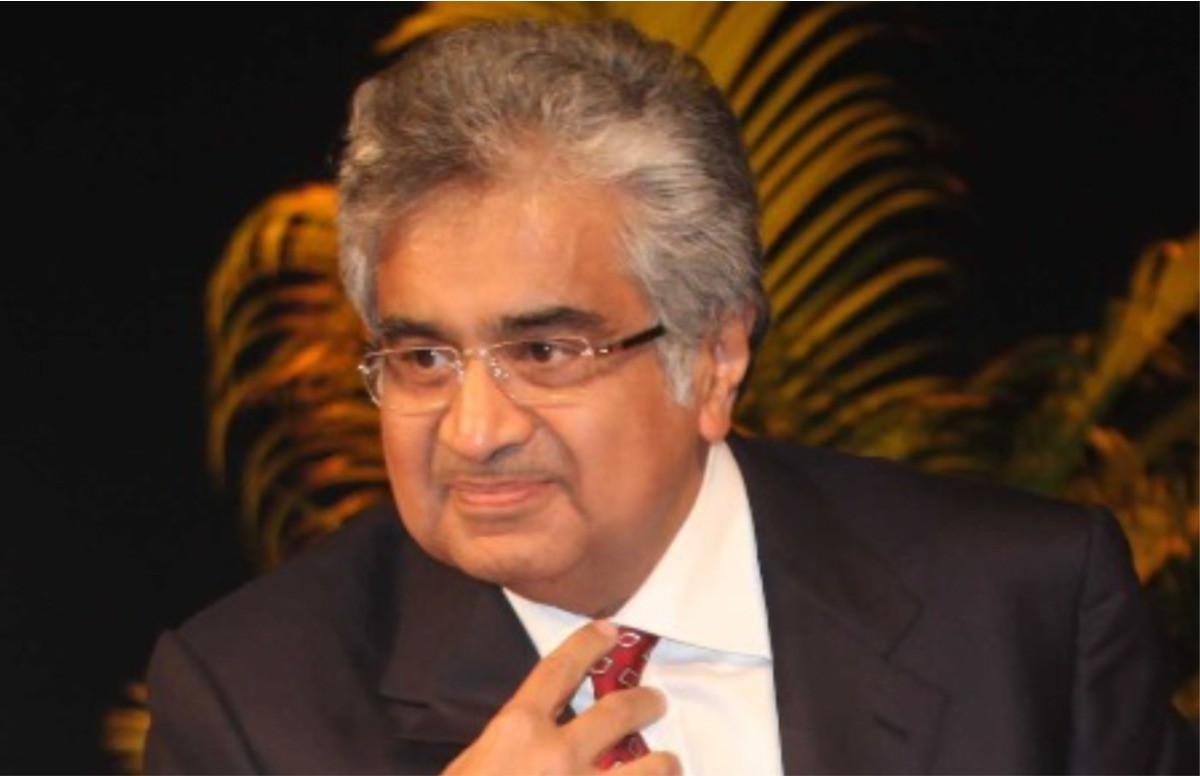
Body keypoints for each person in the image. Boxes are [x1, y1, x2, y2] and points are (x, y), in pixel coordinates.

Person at [143, 18, 1197, 775]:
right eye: (422, 358)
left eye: (545, 350)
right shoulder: (254, 704)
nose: (474, 429)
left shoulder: (1021, 607)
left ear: (716, 357)